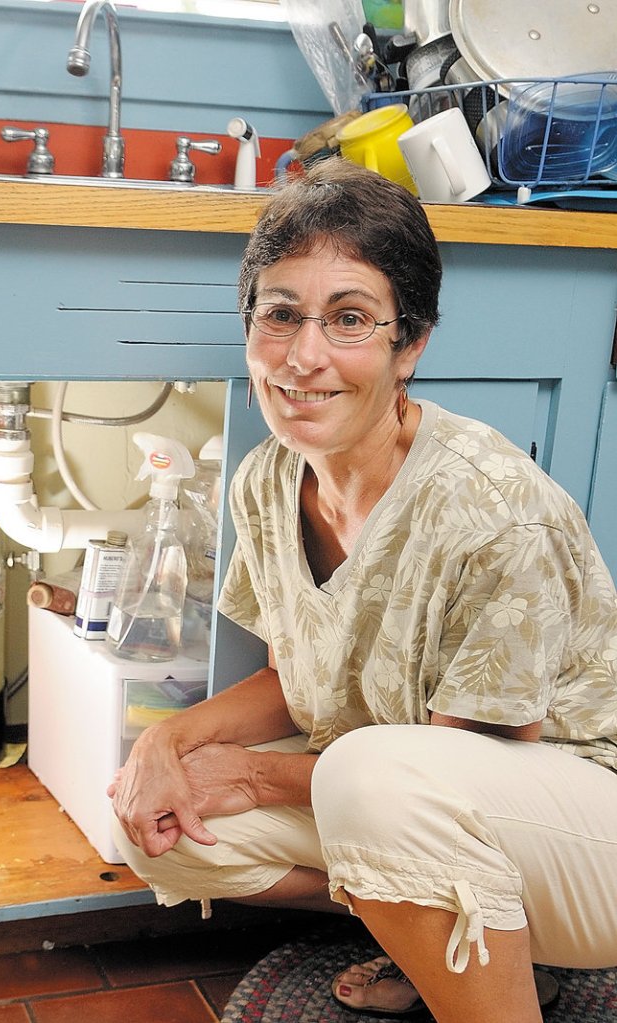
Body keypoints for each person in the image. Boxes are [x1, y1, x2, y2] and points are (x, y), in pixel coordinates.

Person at [108, 158, 617, 1022]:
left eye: (348, 319)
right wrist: (164, 749)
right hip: (404, 798)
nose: (304, 357)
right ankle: (451, 947)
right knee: (161, 824)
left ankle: (499, 966)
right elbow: (295, 676)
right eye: (280, 315)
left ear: (407, 343)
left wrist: (262, 780)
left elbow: (464, 761)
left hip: (578, 827)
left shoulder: (490, 506)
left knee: (368, 780)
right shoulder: (267, 480)